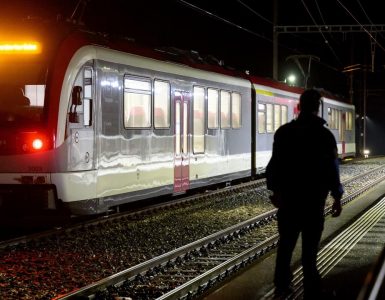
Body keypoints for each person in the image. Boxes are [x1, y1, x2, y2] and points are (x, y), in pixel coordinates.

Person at [266, 89, 344, 299]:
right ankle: (311, 288)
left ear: (299, 106)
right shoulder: (324, 135)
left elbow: (274, 166)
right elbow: (332, 169)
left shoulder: (284, 133)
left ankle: (281, 286)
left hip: (289, 201)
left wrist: (273, 190)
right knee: (310, 251)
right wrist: (337, 196)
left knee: (286, 246)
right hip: (313, 202)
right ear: (318, 107)